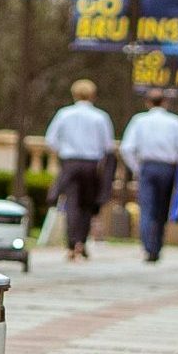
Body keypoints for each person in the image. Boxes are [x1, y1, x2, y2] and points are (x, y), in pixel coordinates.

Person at [43, 79, 116, 261]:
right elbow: (108, 145)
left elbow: (51, 139)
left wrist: (63, 151)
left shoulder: (64, 114)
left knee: (72, 203)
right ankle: (81, 242)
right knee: (87, 204)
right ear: (93, 95)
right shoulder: (100, 117)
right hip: (91, 164)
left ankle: (71, 243)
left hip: (70, 162)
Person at [120, 90, 178, 263]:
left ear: (147, 102)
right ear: (165, 102)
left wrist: (137, 168)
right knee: (162, 209)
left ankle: (148, 246)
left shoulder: (139, 121)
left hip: (147, 166)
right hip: (168, 168)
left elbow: (126, 148)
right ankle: (157, 246)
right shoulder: (175, 122)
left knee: (147, 208)